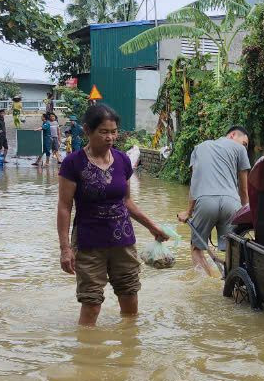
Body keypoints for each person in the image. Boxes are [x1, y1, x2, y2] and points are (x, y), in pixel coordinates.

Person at [57, 103, 169, 326]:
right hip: (89, 243)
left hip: (123, 241)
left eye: (114, 132)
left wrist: (152, 226)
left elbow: (126, 201)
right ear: (87, 130)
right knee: (91, 302)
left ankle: (129, 343)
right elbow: (64, 207)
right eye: (103, 132)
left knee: (129, 295)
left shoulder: (122, 160)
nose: (110, 137)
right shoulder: (73, 163)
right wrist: (65, 249)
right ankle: (87, 346)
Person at [177, 125, 250, 276]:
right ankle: (231, 282)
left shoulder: (199, 148)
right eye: (244, 143)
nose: (245, 146)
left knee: (196, 248)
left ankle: (205, 281)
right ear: (232, 135)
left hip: (205, 202)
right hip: (232, 204)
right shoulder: (240, 150)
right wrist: (248, 215)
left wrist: (188, 212)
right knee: (231, 250)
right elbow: (244, 190)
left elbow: (195, 182)